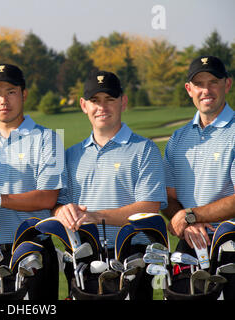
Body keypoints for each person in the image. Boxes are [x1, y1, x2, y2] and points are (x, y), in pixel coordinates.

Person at [53, 70, 167, 300]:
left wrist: (96, 216)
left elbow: (148, 209)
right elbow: (58, 206)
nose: (102, 107)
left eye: (110, 99)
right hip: (82, 259)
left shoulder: (144, 150)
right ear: (84, 105)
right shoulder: (71, 155)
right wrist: (61, 211)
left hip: (131, 259)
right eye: (95, 100)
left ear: (123, 102)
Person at [0, 63, 66, 299]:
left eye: (11, 92)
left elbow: (48, 197)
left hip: (33, 248)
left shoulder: (48, 139)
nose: (3, 100)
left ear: (24, 94)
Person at [163, 55, 234, 252]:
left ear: (227, 84)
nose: (206, 90)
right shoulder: (177, 139)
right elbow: (167, 197)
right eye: (199, 84)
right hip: (190, 240)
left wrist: (191, 215)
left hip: (229, 241)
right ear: (189, 89)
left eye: (213, 82)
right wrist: (189, 221)